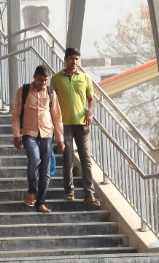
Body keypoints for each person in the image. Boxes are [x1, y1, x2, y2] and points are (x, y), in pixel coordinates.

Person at [51, 47, 102, 207]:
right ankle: (69, 191)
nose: (74, 62)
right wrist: (53, 126)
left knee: (86, 158)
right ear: (65, 60)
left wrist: (90, 112)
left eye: (77, 59)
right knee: (68, 158)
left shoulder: (85, 78)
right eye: (71, 58)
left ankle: (89, 194)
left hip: (82, 124)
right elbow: (51, 103)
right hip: (63, 124)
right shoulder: (56, 79)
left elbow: (91, 99)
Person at [12, 65, 64, 214]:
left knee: (45, 170)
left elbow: (57, 117)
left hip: (47, 134)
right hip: (29, 133)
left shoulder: (50, 93)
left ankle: (41, 202)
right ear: (34, 77)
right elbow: (16, 114)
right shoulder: (24, 91)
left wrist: (60, 138)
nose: (43, 83)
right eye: (40, 80)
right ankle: (31, 189)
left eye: (45, 80)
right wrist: (16, 135)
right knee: (34, 160)